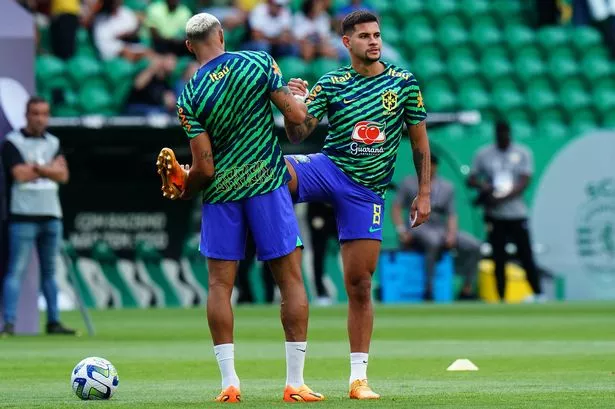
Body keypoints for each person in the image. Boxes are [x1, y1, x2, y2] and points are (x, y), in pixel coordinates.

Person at [156, 13, 324, 403]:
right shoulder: (258, 61)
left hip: (221, 193)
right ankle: (295, 383)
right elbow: (298, 119)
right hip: (266, 182)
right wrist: (296, 97)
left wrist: (185, 186)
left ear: (188, 47)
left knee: (219, 287)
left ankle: (229, 383)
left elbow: (204, 168)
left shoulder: (189, 95)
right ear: (220, 34)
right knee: (290, 282)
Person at [282, 10, 432, 399]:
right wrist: (293, 103)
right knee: (274, 169)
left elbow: (419, 144)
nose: (374, 41)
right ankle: (273, 237)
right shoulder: (331, 82)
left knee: (361, 285)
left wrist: (425, 192)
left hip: (366, 191)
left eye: (377, 35)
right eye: (364, 36)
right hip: (328, 168)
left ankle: (358, 379)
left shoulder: (402, 83)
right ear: (346, 42)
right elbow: (298, 135)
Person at [0, 97, 76, 336]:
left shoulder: (54, 141)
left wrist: (37, 168)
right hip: (22, 215)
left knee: (50, 273)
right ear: (26, 115)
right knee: (16, 270)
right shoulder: (12, 142)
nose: (40, 118)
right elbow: (19, 174)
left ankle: (53, 321)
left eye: (44, 113)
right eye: (35, 113)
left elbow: (63, 176)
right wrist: (48, 169)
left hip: (51, 213)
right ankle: (9, 323)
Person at [467, 121, 544, 302]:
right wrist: (485, 187)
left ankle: (538, 293)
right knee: (498, 257)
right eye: (499, 134)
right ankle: (501, 296)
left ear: (509, 134)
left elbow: (524, 182)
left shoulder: (522, 153)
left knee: (525, 254)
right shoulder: (484, 154)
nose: (502, 137)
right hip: (495, 215)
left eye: (505, 133)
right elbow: (471, 179)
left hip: (516, 213)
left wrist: (502, 198)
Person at [392, 154, 481, 300]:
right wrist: (401, 230)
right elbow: (396, 208)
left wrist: (451, 234)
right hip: (417, 226)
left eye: (432, 165)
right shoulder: (409, 183)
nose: (429, 168)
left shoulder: (447, 186)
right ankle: (429, 289)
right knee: (433, 241)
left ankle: (466, 288)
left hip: (440, 226)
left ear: (436, 166)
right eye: (426, 165)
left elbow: (452, 214)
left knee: (474, 245)